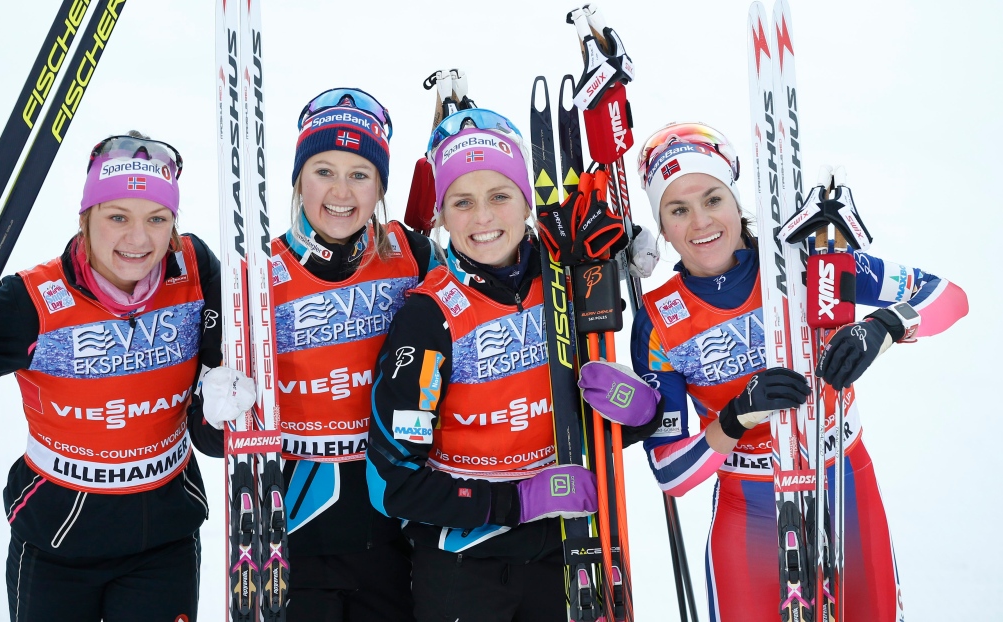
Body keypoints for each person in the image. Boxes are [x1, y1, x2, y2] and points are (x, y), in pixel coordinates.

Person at [628, 122, 969, 621]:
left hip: (842, 481)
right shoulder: (659, 321)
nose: (700, 222)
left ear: (734, 200)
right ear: (662, 225)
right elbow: (673, 473)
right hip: (750, 509)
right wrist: (736, 417)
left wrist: (881, 325)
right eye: (678, 210)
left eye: (713, 199)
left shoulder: (805, 262)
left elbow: (948, 298)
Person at [0, 132, 244, 622]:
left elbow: (213, 420)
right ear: (86, 218)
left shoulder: (194, 268)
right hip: (56, 543)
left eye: (157, 219)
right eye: (117, 217)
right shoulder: (31, 300)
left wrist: (223, 403)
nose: (138, 239)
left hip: (162, 540)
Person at [366, 108, 662, 622]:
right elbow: (391, 483)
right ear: (439, 215)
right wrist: (516, 501)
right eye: (462, 202)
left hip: (568, 551)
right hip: (464, 569)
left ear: (527, 201)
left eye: (500, 196)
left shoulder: (568, 284)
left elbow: (585, 424)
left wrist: (638, 413)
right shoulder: (428, 315)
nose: (483, 218)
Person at [207, 87, 439, 621]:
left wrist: (591, 271)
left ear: (381, 185)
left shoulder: (416, 257)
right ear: (297, 179)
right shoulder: (256, 278)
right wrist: (215, 406)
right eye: (323, 170)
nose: (341, 191)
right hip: (295, 534)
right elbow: (210, 434)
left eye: (360, 173)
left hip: (396, 525)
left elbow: (488, 299)